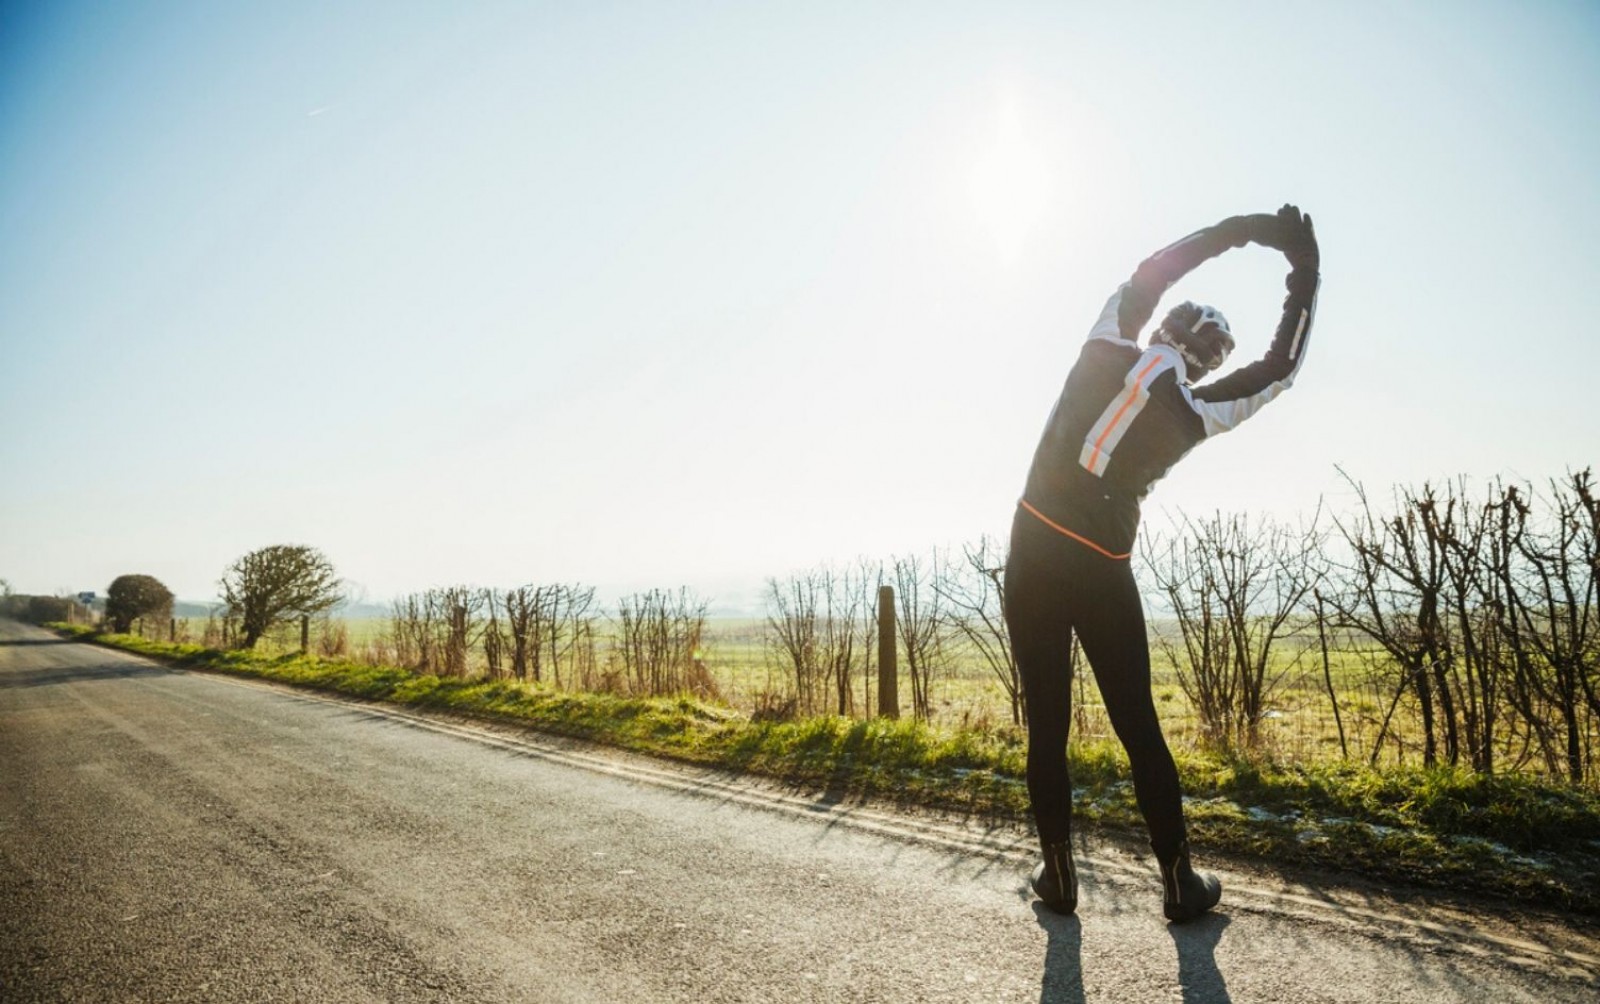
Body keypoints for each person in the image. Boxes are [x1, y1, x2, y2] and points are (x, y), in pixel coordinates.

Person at [1004, 205, 1319, 923]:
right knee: (1138, 725)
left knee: (1047, 725)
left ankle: (1058, 876)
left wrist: (1250, 230)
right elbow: (1281, 369)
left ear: (1162, 326)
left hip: (1032, 550)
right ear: (1208, 361)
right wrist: (1305, 271)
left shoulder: (1105, 341)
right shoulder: (1196, 410)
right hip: (1101, 569)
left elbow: (1158, 266)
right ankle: (1178, 881)